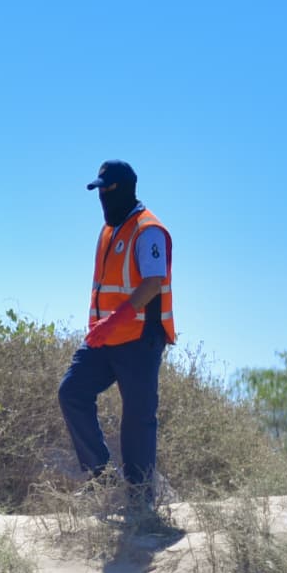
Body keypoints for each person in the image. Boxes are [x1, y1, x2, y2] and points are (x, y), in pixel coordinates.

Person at [59, 160, 175, 511]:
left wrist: (116, 319)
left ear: (125, 188)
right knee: (71, 393)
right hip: (103, 338)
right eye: (99, 191)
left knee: (138, 417)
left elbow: (153, 283)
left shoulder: (148, 230)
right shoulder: (109, 230)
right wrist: (102, 326)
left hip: (140, 338)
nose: (103, 197)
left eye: (108, 190)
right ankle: (102, 478)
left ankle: (140, 499)